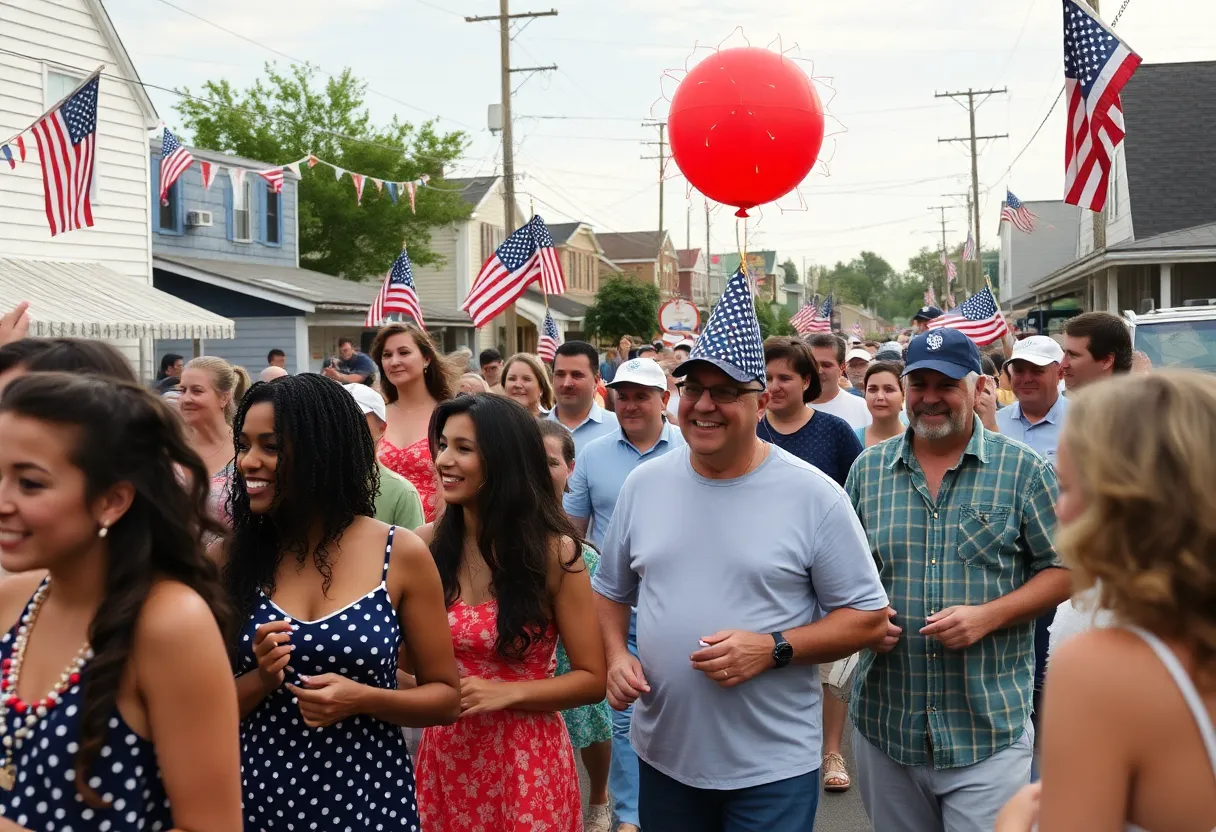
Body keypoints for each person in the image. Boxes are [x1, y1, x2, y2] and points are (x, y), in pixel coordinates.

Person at [594, 270, 889, 831]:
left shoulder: (813, 495)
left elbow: (869, 619)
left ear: (760, 403)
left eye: (725, 391)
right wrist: (615, 655)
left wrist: (772, 647)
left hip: (772, 768)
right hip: (665, 758)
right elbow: (609, 592)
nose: (704, 405)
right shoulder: (645, 485)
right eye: (692, 389)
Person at [844, 328, 1071, 832]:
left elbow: (1067, 568)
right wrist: (861, 620)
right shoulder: (868, 471)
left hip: (985, 727)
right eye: (918, 383)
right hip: (887, 725)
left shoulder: (1024, 470)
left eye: (944, 384)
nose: (929, 398)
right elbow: (843, 575)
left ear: (977, 387)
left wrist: (990, 615)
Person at [0, 373, 241, 829]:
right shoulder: (13, 601)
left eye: (29, 484)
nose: (2, 501)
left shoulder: (168, 623)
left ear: (112, 500)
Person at [221, 373, 461, 831]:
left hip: (368, 802)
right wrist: (261, 679)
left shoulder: (401, 553)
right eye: (244, 444)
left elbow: (446, 699)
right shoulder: (227, 561)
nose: (248, 462)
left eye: (270, 447)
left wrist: (362, 699)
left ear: (321, 454)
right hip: (255, 802)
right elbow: (195, 714)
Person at [995, 372, 1216, 832]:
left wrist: (1013, 824)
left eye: (1072, 488)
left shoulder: (1102, 668)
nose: (1060, 510)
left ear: (1134, 504)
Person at [414, 394, 606, 832]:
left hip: (526, 761)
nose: (444, 459)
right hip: (447, 753)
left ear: (504, 460)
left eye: (463, 449)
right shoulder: (422, 546)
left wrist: (506, 692)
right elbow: (404, 663)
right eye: (442, 445)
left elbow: (593, 679)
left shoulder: (556, 553)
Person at [564, 357, 686, 832]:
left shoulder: (688, 446)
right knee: (621, 712)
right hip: (614, 606)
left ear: (664, 400)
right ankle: (631, 816)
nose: (630, 404)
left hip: (676, 607)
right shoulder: (592, 453)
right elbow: (572, 532)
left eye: (641, 395)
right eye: (623, 395)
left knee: (676, 708)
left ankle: (675, 806)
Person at [539, 419, 615, 832]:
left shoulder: (575, 548)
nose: (540, 469)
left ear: (569, 469)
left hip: (577, 609)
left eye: (550, 461)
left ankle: (600, 794)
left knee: (591, 716)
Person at [373, 323, 456, 523]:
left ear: (426, 358)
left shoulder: (450, 414)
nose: (394, 361)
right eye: (387, 355)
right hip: (381, 536)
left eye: (404, 352)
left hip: (436, 536)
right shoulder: (376, 416)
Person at [758, 336, 862, 488]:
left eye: (784, 378)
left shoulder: (835, 430)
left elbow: (858, 488)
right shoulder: (748, 429)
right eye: (767, 378)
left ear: (806, 381)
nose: (774, 387)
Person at [344, 382, 426, 531]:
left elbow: (412, 551)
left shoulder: (401, 493)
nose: (347, 427)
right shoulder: (317, 486)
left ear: (381, 428)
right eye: (339, 418)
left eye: (358, 419)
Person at [180, 356, 251, 528]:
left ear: (224, 398)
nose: (186, 399)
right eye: (183, 390)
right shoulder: (170, 446)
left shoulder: (245, 448)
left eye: (197, 391)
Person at [997, 335, 1069, 467]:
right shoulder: (995, 423)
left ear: (1059, 373)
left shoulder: (1083, 421)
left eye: (1037, 370)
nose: (1027, 379)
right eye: (1019, 370)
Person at [547, 341, 619, 453]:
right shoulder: (534, 429)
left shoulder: (617, 428)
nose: (566, 383)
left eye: (577, 375)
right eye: (560, 374)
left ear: (596, 380)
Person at [807, 333, 873, 430]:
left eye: (826, 365)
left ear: (842, 368)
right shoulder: (788, 407)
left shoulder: (862, 408)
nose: (819, 371)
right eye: (813, 364)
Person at [1061, 311, 1133, 391]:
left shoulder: (1136, 402)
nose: (1063, 364)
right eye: (1064, 352)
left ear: (1106, 361)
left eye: (1073, 355)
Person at [858, 360, 907, 447]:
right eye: (873, 389)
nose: (880, 397)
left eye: (889, 389)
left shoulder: (918, 439)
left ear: (903, 395)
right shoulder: (852, 438)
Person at [502, 352, 554, 416]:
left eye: (526, 379)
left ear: (541, 387)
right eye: (512, 379)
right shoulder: (492, 421)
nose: (518, 385)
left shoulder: (553, 423)